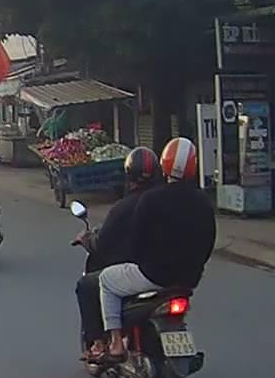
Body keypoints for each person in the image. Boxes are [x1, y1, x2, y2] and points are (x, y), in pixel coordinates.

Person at [89, 138, 216, 363]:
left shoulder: (150, 199)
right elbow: (209, 242)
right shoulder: (204, 202)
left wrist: (142, 262)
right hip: (189, 280)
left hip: (153, 275)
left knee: (106, 280)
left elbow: (136, 243)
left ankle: (116, 343)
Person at [75, 147, 161, 359]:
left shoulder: (126, 206)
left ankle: (101, 343)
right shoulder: (166, 202)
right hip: (172, 272)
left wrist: (87, 239)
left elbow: (103, 241)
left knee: (87, 285)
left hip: (141, 271)